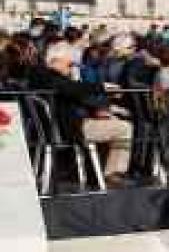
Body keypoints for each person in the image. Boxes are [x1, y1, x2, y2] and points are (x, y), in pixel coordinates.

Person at [29, 41, 135, 187]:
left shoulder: (39, 74)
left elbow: (73, 93)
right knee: (124, 128)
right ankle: (113, 173)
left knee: (111, 121)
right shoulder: (53, 78)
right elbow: (71, 89)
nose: (72, 66)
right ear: (57, 60)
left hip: (55, 127)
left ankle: (97, 171)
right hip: (69, 129)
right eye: (70, 64)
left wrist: (103, 109)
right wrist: (102, 87)